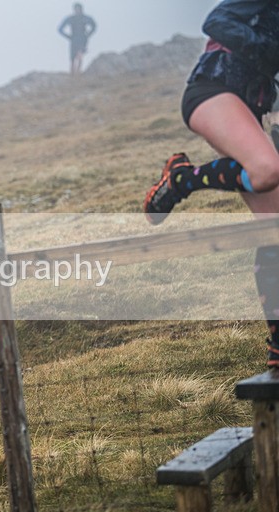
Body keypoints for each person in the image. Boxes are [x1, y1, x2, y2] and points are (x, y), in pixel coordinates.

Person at [143, 0, 279, 368]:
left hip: (249, 107)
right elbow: (215, 21)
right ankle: (182, 179)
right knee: (267, 170)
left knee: (274, 230)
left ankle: (278, 346)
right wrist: (265, 50)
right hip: (213, 89)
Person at [58, 3, 97, 75]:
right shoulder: (71, 18)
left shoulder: (85, 18)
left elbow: (94, 26)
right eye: (76, 9)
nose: (77, 11)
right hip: (74, 39)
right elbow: (60, 29)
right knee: (72, 57)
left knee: (80, 54)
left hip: (82, 39)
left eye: (79, 9)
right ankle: (72, 73)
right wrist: (68, 36)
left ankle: (78, 72)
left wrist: (88, 34)